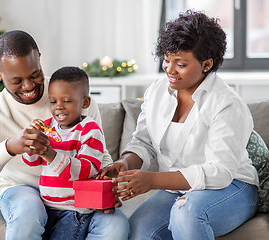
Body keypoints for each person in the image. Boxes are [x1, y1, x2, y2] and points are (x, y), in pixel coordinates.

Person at [97, 10, 259, 240]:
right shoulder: (156, 92)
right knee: (139, 232)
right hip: (175, 188)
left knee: (187, 214)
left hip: (231, 187)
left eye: (180, 64)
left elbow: (220, 172)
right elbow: (143, 142)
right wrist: (124, 163)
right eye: (166, 59)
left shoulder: (226, 104)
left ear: (207, 64)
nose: (169, 70)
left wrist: (152, 180)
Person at [0, 30, 129, 240]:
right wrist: (9, 148)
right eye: (17, 80)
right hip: (22, 188)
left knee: (116, 226)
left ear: (39, 59)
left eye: (34, 74)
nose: (28, 86)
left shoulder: (72, 94)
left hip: (74, 189)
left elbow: (100, 154)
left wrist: (107, 189)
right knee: (29, 211)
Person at [23, 66, 115, 240]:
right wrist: (31, 141)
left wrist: (49, 153)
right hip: (46, 207)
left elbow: (85, 170)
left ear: (85, 103)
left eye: (67, 101)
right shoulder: (48, 126)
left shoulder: (90, 130)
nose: (59, 107)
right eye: (53, 101)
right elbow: (31, 162)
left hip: (73, 211)